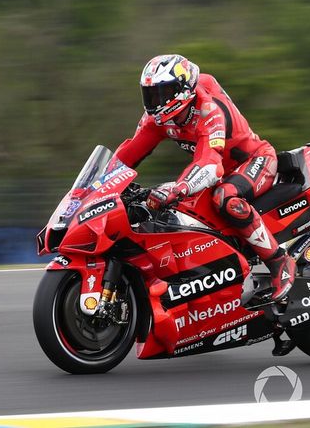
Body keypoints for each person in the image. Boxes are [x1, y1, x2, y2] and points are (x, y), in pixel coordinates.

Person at [113, 54, 296, 301]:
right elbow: (128, 153)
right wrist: (97, 186)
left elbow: (209, 164)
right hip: (219, 169)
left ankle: (280, 262)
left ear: (181, 90)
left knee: (226, 198)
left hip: (255, 161)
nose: (154, 101)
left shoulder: (208, 111)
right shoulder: (158, 118)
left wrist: (179, 188)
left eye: (161, 93)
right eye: (150, 94)